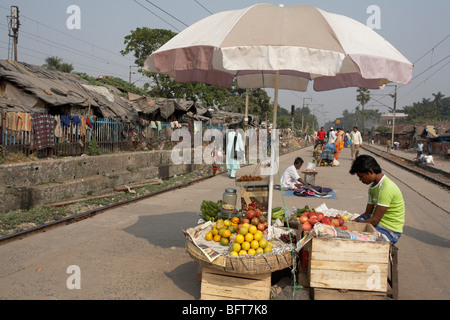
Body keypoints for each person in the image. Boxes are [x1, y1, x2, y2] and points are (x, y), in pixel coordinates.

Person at [349, 155, 405, 245]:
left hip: (389, 230)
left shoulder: (386, 188)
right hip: (377, 225)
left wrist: (354, 228)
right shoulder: (372, 187)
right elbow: (367, 213)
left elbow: (375, 220)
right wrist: (352, 222)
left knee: (355, 239)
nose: (360, 180)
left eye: (361, 176)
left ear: (370, 172)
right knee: (354, 224)